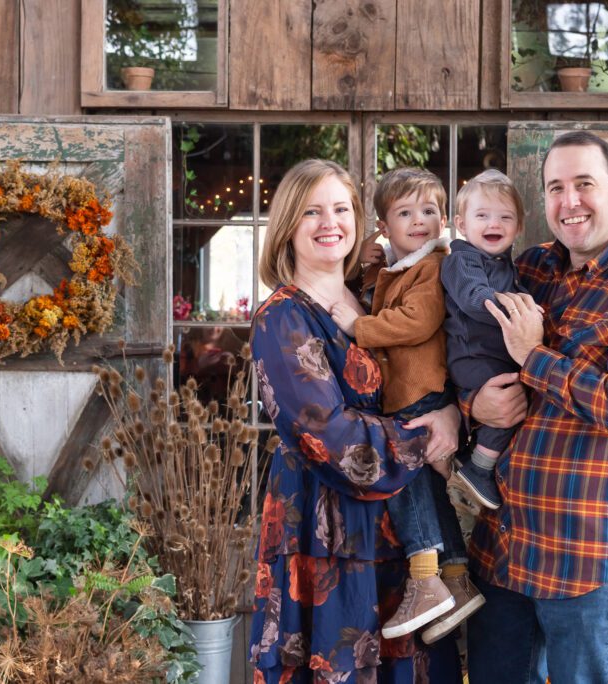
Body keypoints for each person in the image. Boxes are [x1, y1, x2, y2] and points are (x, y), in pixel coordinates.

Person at [464, 131, 608, 683]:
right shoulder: (530, 269)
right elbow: (470, 341)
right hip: (506, 547)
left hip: (586, 558)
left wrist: (535, 356)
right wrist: (473, 401)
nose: (569, 201)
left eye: (584, 184)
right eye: (555, 188)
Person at [248, 159, 462, 684]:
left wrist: (454, 410)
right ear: (287, 227)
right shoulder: (283, 316)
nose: (330, 222)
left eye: (341, 209)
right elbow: (329, 436)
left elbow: (420, 375)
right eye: (311, 212)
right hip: (324, 528)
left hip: (397, 529)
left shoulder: (369, 300)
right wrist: (432, 432)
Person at [330, 167, 485, 644]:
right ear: (383, 226)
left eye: (429, 210)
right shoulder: (402, 265)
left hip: (419, 392)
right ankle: (456, 578)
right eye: (405, 212)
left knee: (406, 484)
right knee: (430, 489)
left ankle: (424, 577)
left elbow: (416, 321)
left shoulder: (436, 265)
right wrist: (370, 268)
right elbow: (386, 293)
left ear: (444, 219)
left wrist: (360, 328)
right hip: (409, 391)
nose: (419, 220)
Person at [441, 169, 529, 510]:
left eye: (505, 217)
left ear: (518, 226)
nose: (494, 223)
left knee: (519, 396)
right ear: (462, 224)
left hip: (492, 356)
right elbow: (472, 296)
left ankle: (473, 457)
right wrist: (518, 313)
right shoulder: (462, 259)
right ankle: (480, 467)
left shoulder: (507, 264)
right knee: (510, 400)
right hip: (471, 356)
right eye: (482, 216)